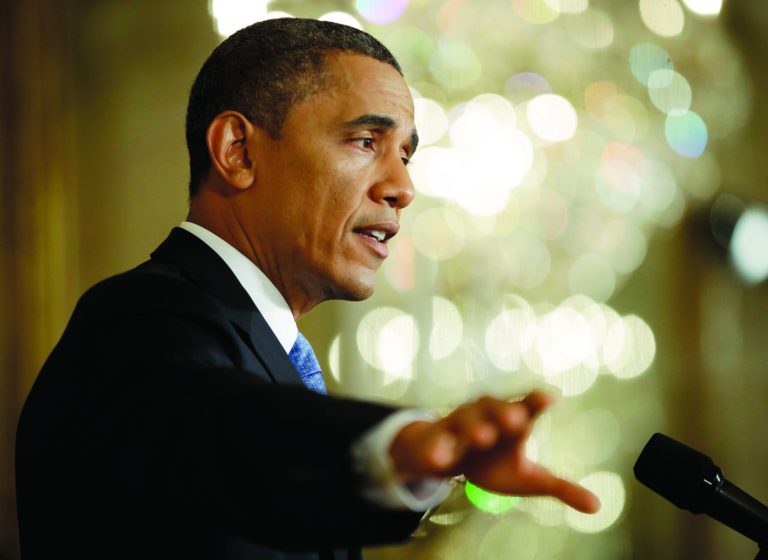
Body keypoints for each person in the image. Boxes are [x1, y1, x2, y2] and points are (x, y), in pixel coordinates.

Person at [15, 17, 599, 560]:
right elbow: (222, 430)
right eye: (366, 141)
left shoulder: (266, 350)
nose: (402, 187)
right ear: (237, 152)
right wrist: (394, 448)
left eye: (405, 154)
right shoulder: (137, 322)